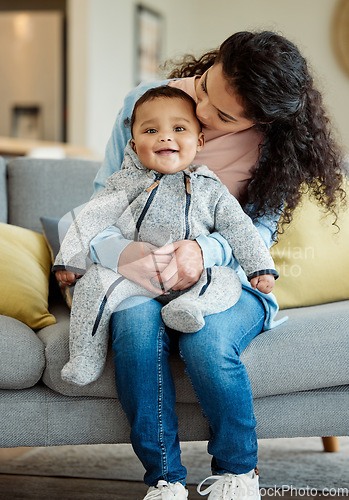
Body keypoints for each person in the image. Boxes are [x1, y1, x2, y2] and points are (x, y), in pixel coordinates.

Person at [58, 31, 345, 500]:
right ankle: (165, 479)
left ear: (262, 121)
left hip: (225, 277)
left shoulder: (273, 145)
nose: (203, 113)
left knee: (207, 341)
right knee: (133, 332)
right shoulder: (149, 103)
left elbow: (257, 234)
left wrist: (202, 251)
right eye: (207, 87)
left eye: (225, 116)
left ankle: (237, 473)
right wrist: (121, 255)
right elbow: (101, 204)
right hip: (142, 276)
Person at [53, 86, 278, 388]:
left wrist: (260, 267)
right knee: (94, 284)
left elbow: (240, 228)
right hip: (138, 280)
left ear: (199, 141)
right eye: (151, 130)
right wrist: (69, 259)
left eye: (178, 128)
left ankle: (191, 309)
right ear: (133, 144)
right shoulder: (122, 184)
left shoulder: (211, 189)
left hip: (195, 281)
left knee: (224, 279)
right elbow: (91, 218)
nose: (165, 136)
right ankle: (84, 357)